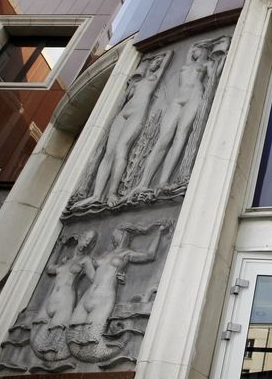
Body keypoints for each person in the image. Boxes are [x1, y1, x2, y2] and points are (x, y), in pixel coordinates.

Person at [73, 52, 171, 208]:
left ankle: (112, 192)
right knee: (109, 153)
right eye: (155, 60)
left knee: (121, 149)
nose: (157, 62)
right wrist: (144, 62)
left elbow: (168, 56)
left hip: (137, 114)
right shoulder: (137, 82)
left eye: (159, 61)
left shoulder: (155, 78)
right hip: (123, 113)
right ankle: (97, 195)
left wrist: (151, 56)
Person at [131, 40, 223, 194]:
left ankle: (163, 181)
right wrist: (207, 42)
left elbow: (215, 75)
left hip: (194, 96)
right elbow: (192, 45)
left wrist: (221, 58)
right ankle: (143, 183)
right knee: (163, 139)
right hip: (177, 100)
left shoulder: (207, 63)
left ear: (204, 50)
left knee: (180, 136)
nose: (193, 52)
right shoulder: (188, 62)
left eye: (197, 50)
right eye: (193, 50)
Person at [68, 222, 170, 346]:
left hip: (104, 298)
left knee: (91, 338)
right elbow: (87, 265)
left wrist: (159, 233)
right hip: (87, 296)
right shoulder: (106, 254)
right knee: (71, 336)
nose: (113, 235)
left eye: (116, 232)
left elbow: (150, 255)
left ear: (124, 234)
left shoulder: (127, 254)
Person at [31, 230, 97, 358]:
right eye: (86, 239)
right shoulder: (65, 261)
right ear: (80, 238)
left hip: (65, 302)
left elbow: (94, 279)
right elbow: (50, 269)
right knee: (39, 342)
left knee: (51, 350)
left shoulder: (86, 260)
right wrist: (59, 246)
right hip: (51, 302)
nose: (87, 244)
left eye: (91, 241)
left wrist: (114, 273)